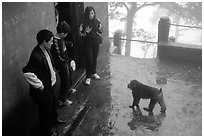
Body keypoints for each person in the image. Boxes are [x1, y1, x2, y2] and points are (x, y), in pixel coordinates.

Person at [22, 29, 65, 136]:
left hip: (51, 84)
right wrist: (39, 85)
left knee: (52, 105)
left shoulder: (46, 49)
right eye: (50, 41)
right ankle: (46, 131)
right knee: (44, 111)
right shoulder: (36, 55)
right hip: (44, 87)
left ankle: (54, 120)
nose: (52, 43)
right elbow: (27, 72)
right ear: (44, 42)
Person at [51, 21, 76, 106]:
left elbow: (63, 45)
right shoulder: (55, 42)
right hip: (61, 64)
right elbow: (59, 57)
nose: (66, 35)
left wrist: (68, 43)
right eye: (66, 34)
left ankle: (68, 89)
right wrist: (69, 60)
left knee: (68, 77)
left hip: (65, 62)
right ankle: (62, 99)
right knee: (64, 80)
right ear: (62, 33)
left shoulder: (60, 39)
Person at [79, 6, 103, 86]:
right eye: (89, 14)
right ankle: (88, 76)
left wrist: (99, 29)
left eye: (92, 13)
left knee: (95, 58)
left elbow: (101, 31)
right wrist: (85, 32)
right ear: (87, 14)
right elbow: (80, 34)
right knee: (89, 59)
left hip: (96, 42)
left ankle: (94, 72)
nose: (91, 15)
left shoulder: (97, 21)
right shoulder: (83, 23)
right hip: (87, 43)